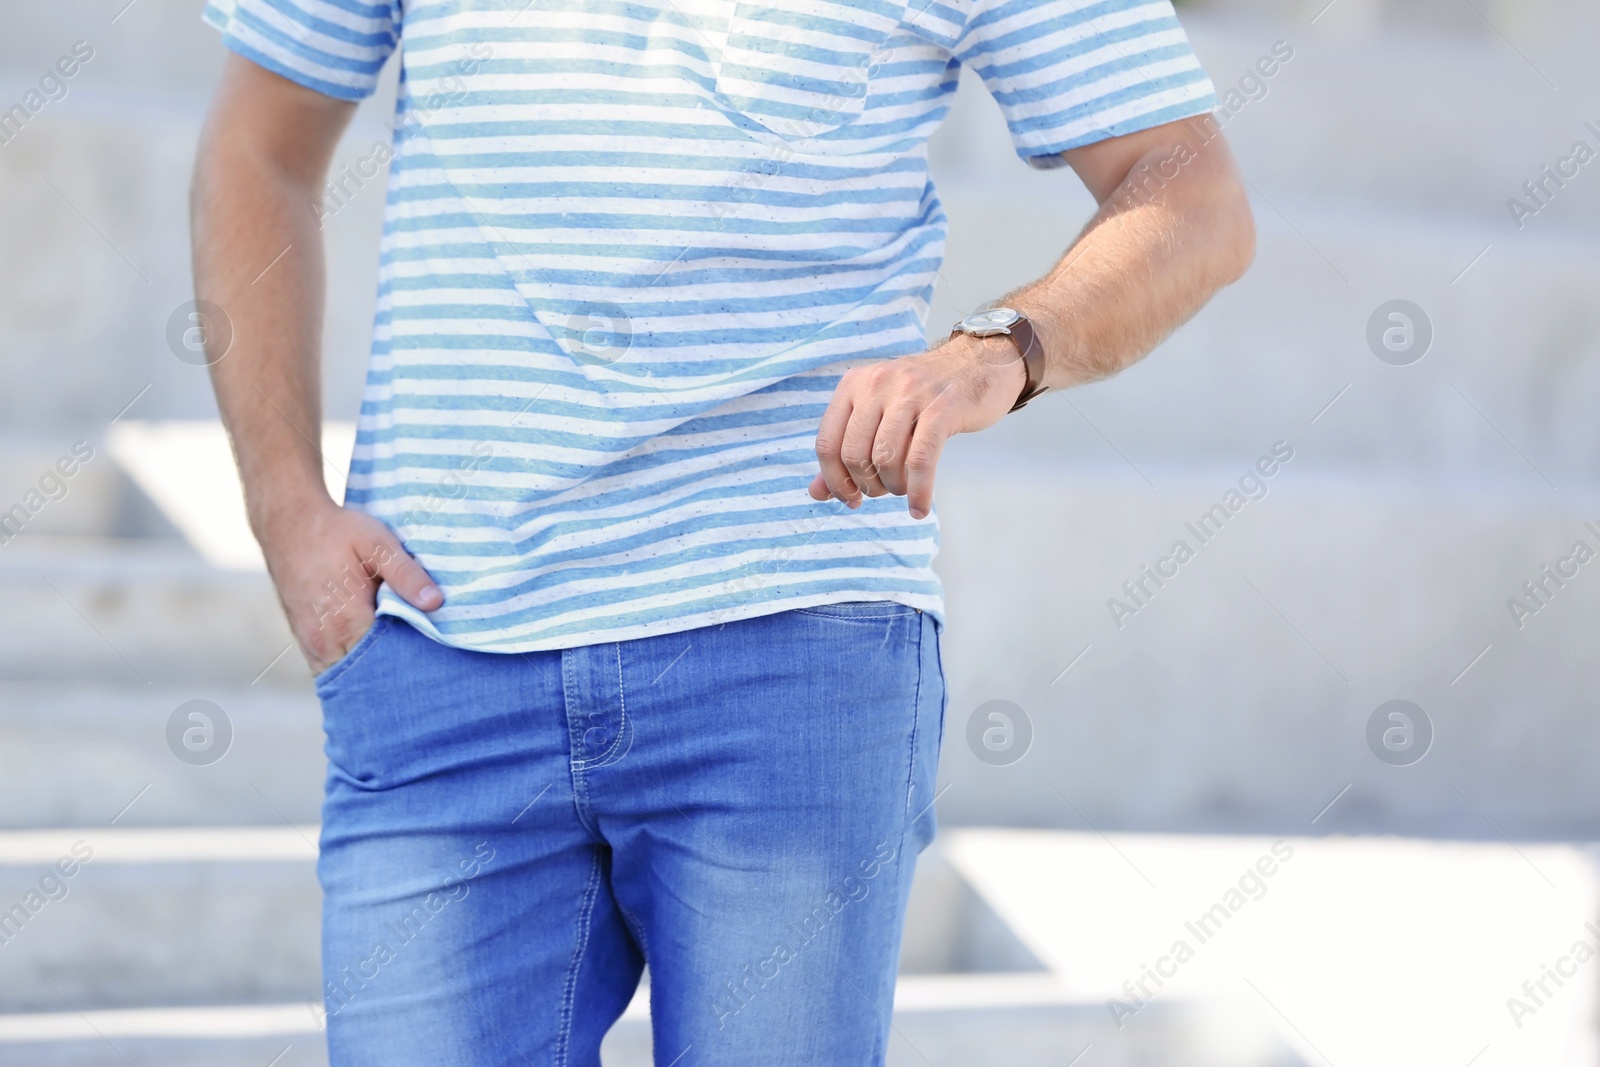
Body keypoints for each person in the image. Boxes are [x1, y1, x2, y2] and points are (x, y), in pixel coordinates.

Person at [191, 0, 1253, 1063]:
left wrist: (1001, 348)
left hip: (787, 658)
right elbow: (259, 143)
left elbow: (1191, 194)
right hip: (444, 654)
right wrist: (286, 512)